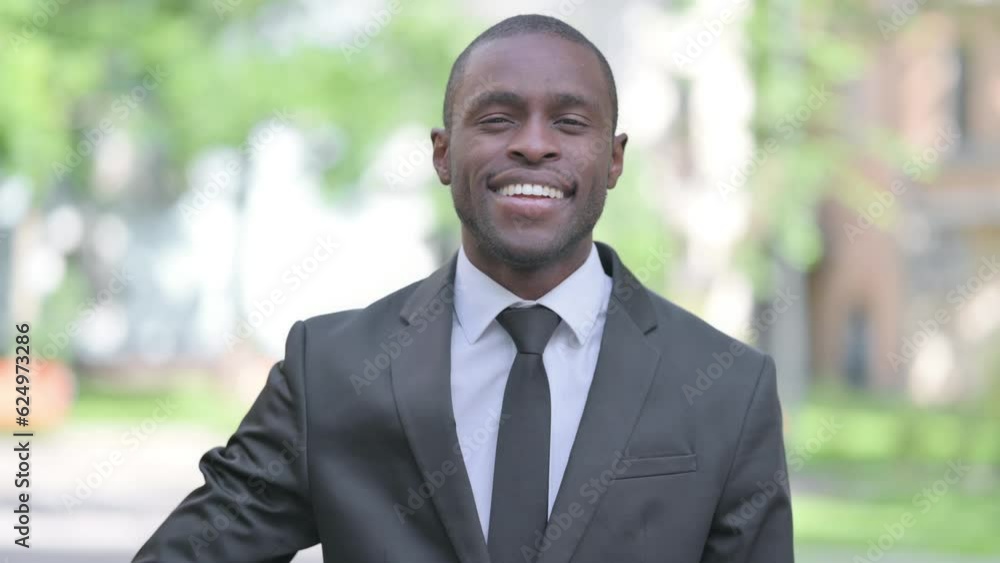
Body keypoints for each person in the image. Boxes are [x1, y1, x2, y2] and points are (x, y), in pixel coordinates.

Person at [134, 13, 793, 563]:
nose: (534, 145)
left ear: (614, 158)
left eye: (569, 122)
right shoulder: (330, 370)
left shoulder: (727, 388)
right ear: (443, 153)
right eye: (498, 118)